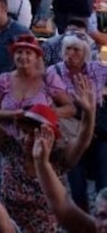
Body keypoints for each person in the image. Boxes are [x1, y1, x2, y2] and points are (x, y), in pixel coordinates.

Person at [0, 60, 95, 232]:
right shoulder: (11, 147)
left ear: (50, 137)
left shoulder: (59, 159)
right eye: (23, 131)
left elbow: (83, 140)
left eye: (35, 134)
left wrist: (89, 113)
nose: (26, 138)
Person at [47, 32, 107, 210]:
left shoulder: (97, 68)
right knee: (76, 178)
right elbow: (59, 103)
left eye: (76, 50)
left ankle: (102, 216)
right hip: (72, 130)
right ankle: (82, 219)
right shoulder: (54, 71)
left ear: (85, 54)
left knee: (104, 175)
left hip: (98, 129)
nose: (71, 54)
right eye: (68, 49)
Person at [33, 123, 107, 233]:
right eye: (102, 216)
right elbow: (63, 206)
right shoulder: (95, 229)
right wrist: (42, 163)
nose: (106, 223)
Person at [0, 34, 73, 131]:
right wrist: (13, 114)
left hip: (40, 139)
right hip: (7, 140)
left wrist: (43, 113)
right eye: (19, 52)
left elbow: (70, 108)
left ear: (36, 57)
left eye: (28, 53)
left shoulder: (48, 79)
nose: (23, 56)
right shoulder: (3, 80)